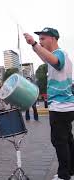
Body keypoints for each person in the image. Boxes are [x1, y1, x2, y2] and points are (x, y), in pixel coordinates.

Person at [24, 27, 74, 180]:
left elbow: (54, 61)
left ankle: (64, 175)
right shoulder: (57, 55)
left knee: (59, 141)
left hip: (60, 106)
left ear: (52, 38)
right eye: (39, 40)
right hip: (65, 106)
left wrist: (33, 44)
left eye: (43, 39)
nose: (41, 42)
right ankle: (71, 171)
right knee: (67, 140)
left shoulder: (60, 54)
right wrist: (35, 47)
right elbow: (46, 58)